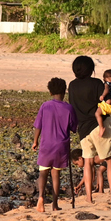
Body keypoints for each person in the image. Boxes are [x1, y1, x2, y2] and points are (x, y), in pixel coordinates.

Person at [68, 55, 111, 203]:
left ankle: (89, 197)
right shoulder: (96, 83)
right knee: (109, 160)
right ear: (91, 69)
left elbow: (72, 106)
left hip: (83, 128)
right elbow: (107, 100)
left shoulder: (72, 86)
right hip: (98, 124)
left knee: (87, 163)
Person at [32, 77, 77, 212]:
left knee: (43, 173)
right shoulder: (69, 108)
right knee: (56, 174)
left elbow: (38, 126)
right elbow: (73, 127)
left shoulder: (45, 106)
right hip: (61, 145)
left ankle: (41, 197)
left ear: (50, 92)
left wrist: (35, 141)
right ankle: (55, 204)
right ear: (65, 92)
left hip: (46, 144)